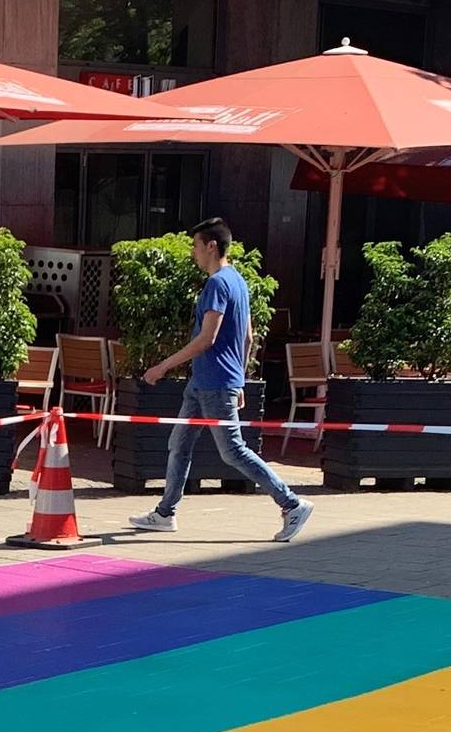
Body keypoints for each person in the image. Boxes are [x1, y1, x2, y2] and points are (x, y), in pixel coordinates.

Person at [127, 219, 314, 542]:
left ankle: (292, 503)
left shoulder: (217, 284)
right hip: (205, 383)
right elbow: (248, 336)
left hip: (214, 384)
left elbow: (207, 338)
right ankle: (165, 513)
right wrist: (240, 379)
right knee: (179, 444)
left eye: (196, 246)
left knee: (233, 451)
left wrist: (162, 367)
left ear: (211, 246)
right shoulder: (238, 281)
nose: (193, 253)